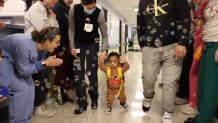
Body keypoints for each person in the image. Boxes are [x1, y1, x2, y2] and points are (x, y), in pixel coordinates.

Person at [137, 0, 191, 122]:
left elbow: (185, 18)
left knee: (170, 81)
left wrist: (182, 43)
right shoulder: (143, 1)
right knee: (148, 78)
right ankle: (148, 96)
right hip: (150, 48)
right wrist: (142, 44)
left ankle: (167, 111)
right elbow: (140, 22)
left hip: (173, 46)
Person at [0, 26, 63, 123]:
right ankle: (18, 121)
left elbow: (35, 64)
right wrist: (45, 63)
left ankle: (25, 120)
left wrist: (45, 62)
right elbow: (23, 71)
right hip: (4, 60)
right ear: (47, 41)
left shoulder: (44, 48)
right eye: (57, 42)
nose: (58, 45)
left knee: (30, 86)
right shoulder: (25, 46)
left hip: (18, 62)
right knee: (21, 88)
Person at [68, 0, 108, 114]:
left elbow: (104, 34)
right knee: (78, 72)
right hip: (78, 43)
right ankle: (82, 103)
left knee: (92, 70)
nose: (92, 9)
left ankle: (94, 98)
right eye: (89, 8)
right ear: (82, 4)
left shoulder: (99, 13)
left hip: (92, 43)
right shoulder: (73, 10)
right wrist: (72, 46)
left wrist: (104, 50)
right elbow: (71, 29)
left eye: (93, 7)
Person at [184, 0, 218, 122]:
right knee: (202, 82)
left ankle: (204, 120)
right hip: (206, 44)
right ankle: (203, 115)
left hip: (216, 45)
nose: (194, 1)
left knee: (210, 85)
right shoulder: (207, 4)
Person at [24, 0, 59, 117]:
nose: (56, 1)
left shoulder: (46, 10)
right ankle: (37, 107)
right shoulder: (36, 8)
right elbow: (47, 33)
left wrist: (52, 22)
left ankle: (40, 105)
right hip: (35, 49)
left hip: (42, 49)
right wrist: (53, 20)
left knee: (42, 78)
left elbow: (55, 31)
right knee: (37, 78)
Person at [181, 0, 208, 117]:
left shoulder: (208, 5)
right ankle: (194, 104)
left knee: (195, 73)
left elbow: (201, 24)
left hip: (203, 43)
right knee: (195, 72)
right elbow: (199, 23)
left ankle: (195, 104)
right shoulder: (201, 7)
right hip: (198, 43)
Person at [53, 0, 74, 104]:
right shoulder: (57, 8)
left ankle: (64, 92)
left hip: (69, 45)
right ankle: (60, 95)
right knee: (61, 71)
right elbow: (57, 29)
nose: (71, 0)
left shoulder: (68, 9)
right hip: (61, 46)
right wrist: (60, 47)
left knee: (68, 70)